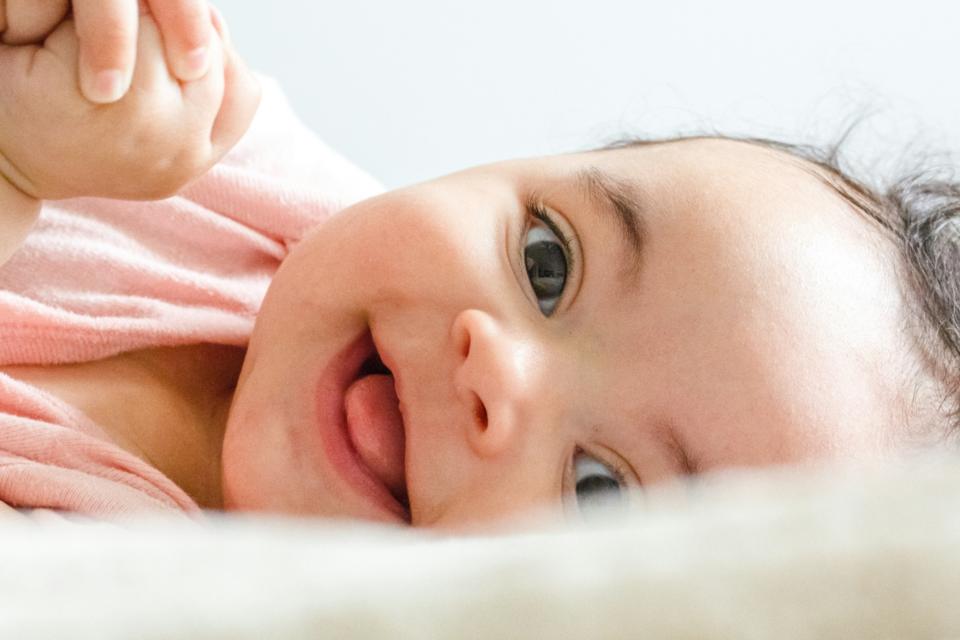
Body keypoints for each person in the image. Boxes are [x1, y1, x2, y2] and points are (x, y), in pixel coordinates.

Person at [0, 2, 956, 530]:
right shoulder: (227, 161)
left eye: (599, 488)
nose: (497, 368)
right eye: (547, 261)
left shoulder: (128, 585)